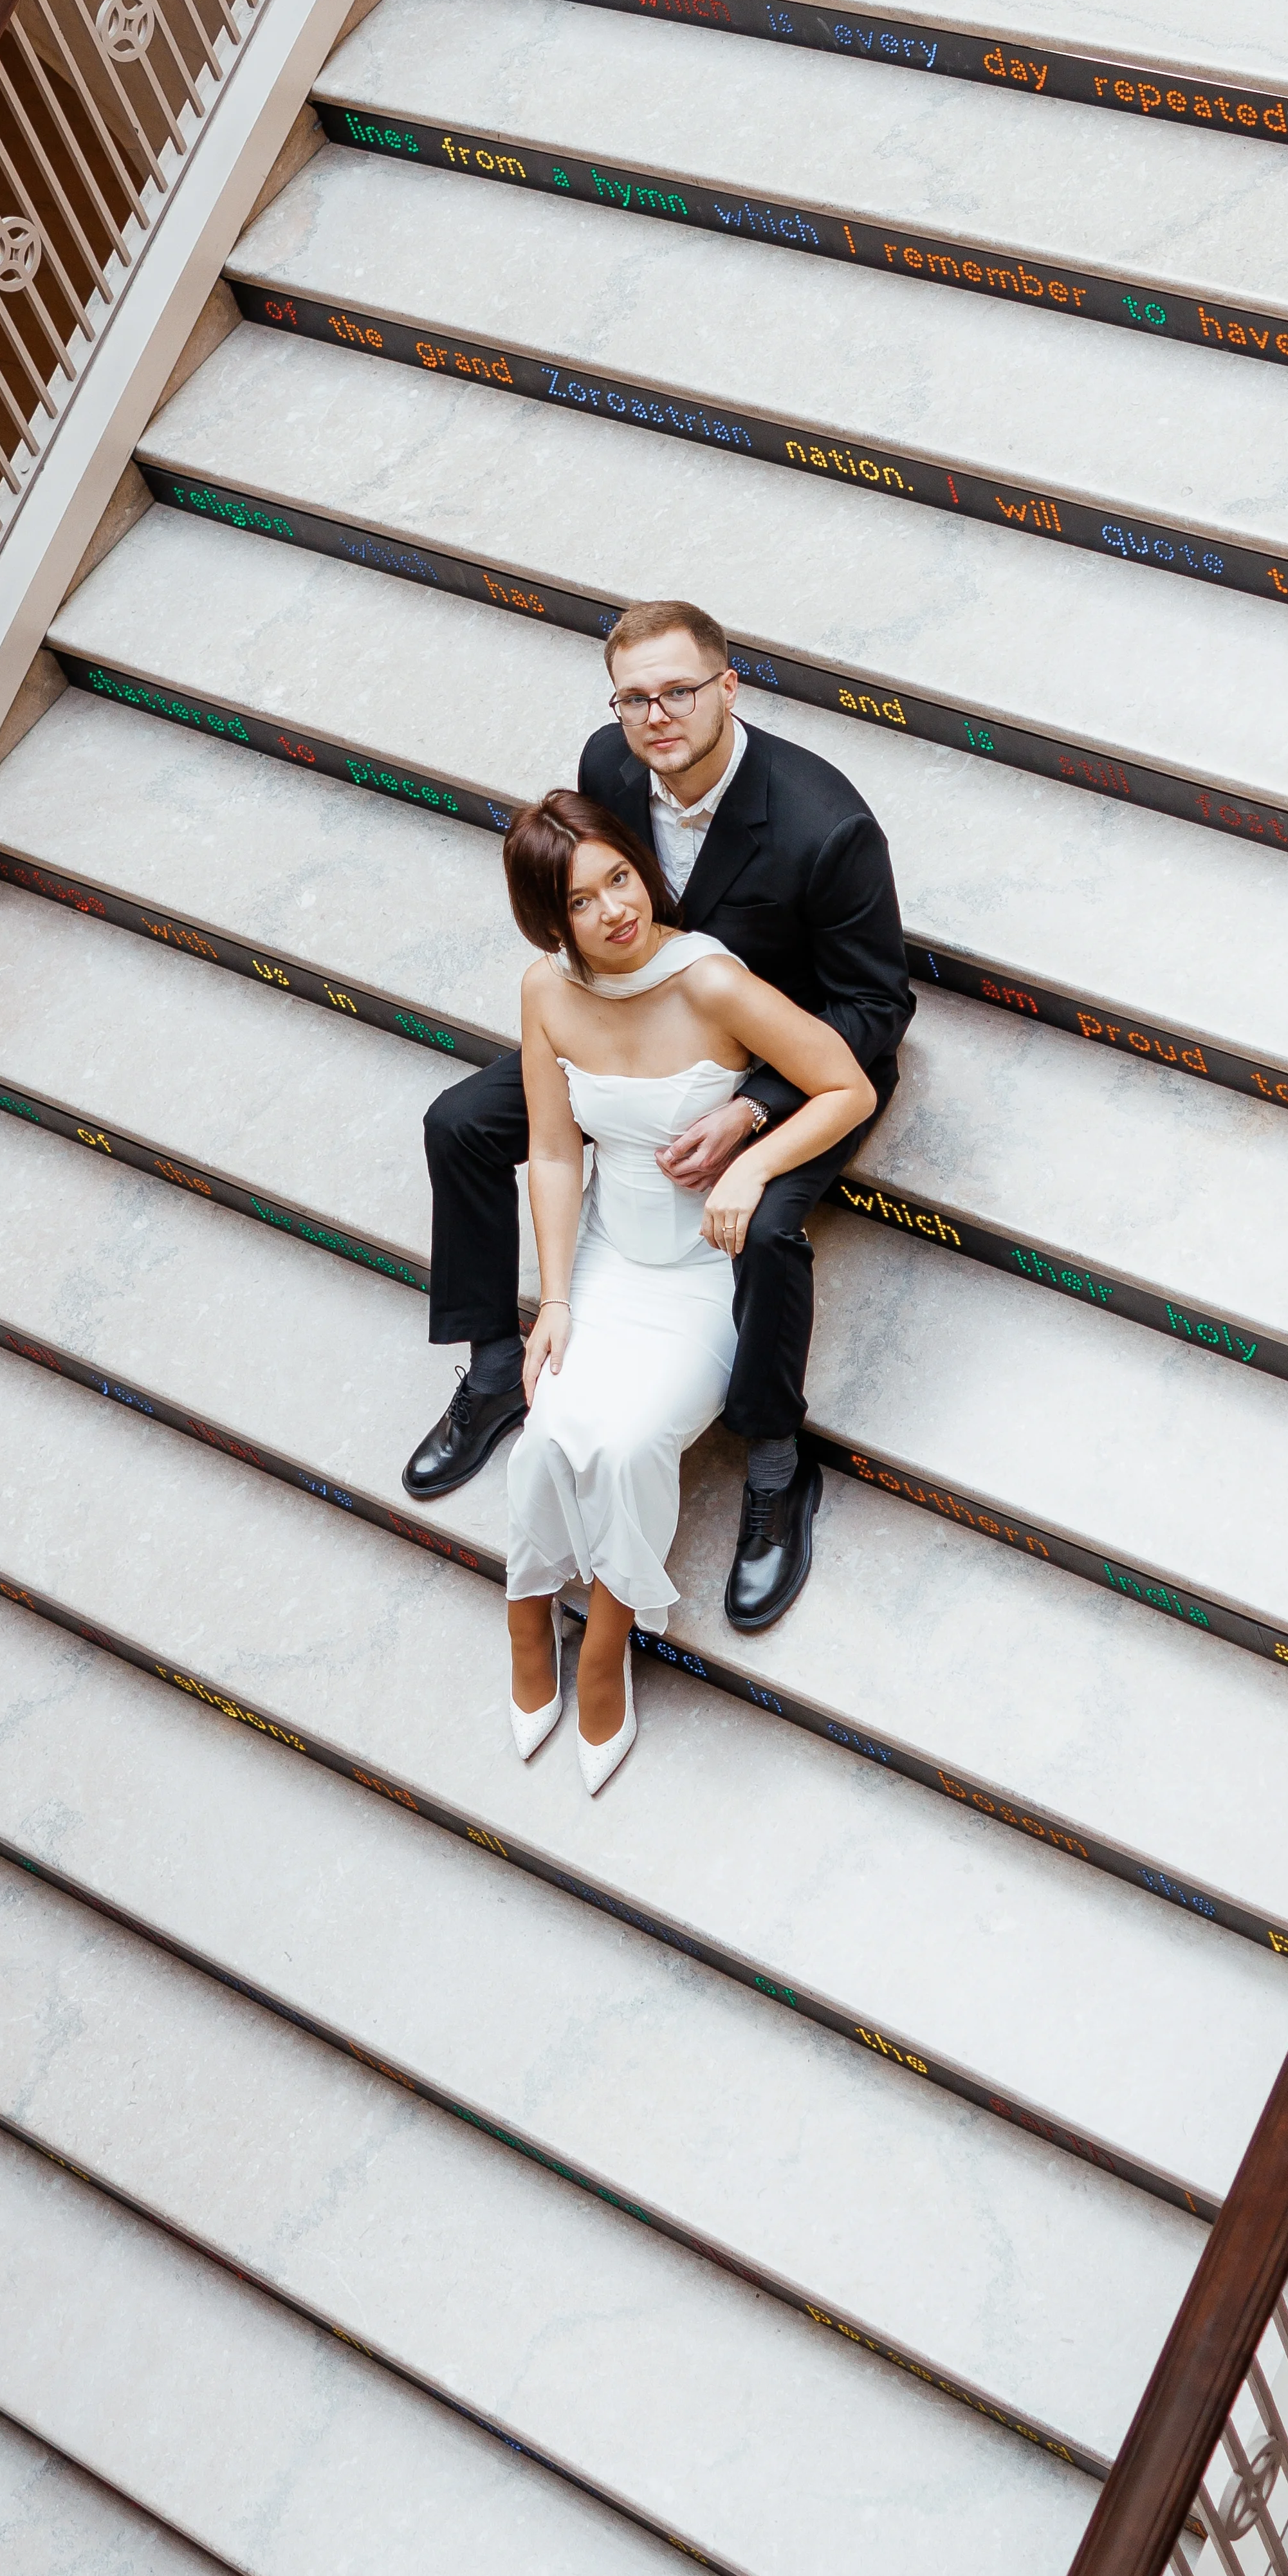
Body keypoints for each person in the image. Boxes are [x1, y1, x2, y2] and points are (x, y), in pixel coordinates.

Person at [405, 597, 914, 1633]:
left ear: (728, 686)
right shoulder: (609, 765)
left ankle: (776, 1463)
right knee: (459, 1123)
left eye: (679, 691)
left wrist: (753, 1110)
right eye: (633, 699)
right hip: (640, 1020)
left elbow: (874, 1007)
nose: (656, 717)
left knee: (767, 1229)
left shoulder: (826, 824)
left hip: (783, 1059)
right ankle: (498, 1367)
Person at [497, 790, 874, 1791]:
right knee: (548, 1432)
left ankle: (605, 1638)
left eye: (620, 878)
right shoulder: (544, 991)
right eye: (580, 902)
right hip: (607, 1259)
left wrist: (754, 1163)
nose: (614, 911)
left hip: (705, 1272)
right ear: (548, 921)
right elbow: (552, 1150)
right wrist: (555, 1300)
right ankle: (526, 1613)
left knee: (628, 1446)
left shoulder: (708, 979)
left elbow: (848, 1086)